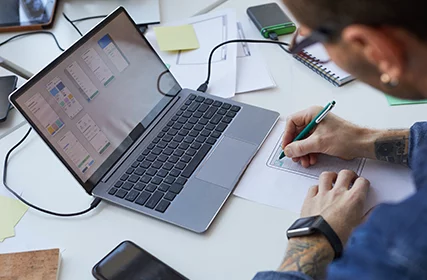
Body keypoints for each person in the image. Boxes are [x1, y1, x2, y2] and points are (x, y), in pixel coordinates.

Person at [254, 0, 427, 279]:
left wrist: (315, 236)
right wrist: (363, 139)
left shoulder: (400, 248)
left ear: (373, 48)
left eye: (313, 40)